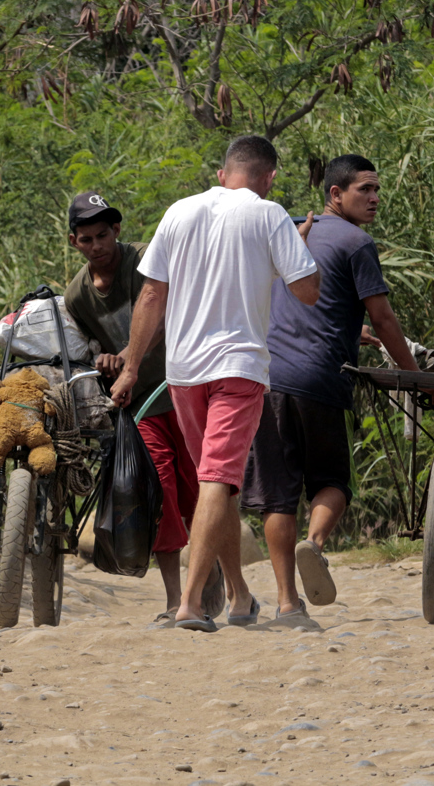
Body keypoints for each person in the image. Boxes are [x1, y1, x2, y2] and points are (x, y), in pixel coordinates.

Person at [110, 135, 322, 632]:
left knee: (217, 485)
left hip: (182, 372)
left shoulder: (179, 211)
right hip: (238, 368)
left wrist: (132, 366)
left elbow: (150, 296)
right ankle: (188, 603)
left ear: (223, 172)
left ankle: (240, 595)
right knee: (217, 481)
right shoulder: (269, 214)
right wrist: (298, 245)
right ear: (268, 178)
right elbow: (307, 292)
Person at [241, 153, 421, 617]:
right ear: (335, 194)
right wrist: (413, 376)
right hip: (318, 378)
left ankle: (286, 603)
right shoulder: (358, 242)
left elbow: (305, 302)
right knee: (333, 482)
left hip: (266, 378)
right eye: (365, 189)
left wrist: (348, 328)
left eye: (377, 189)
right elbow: (382, 316)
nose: (375, 198)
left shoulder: (290, 230)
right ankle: (315, 543)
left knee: (278, 496)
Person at [62, 191, 225, 624]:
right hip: (139, 407)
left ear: (116, 230)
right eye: (87, 238)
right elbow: (88, 346)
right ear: (74, 242)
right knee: (161, 493)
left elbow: (166, 313)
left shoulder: (145, 261)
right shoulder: (77, 295)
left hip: (184, 387)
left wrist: (128, 356)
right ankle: (176, 599)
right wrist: (106, 359)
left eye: (103, 234)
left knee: (200, 490)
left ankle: (214, 573)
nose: (97, 245)